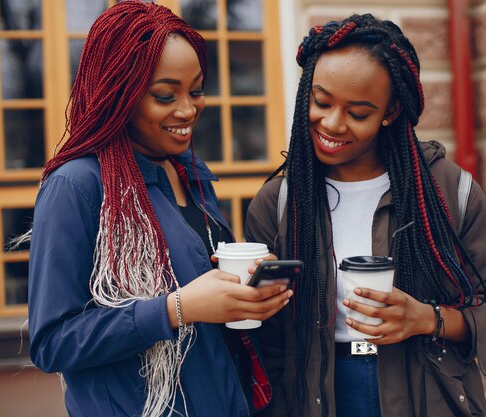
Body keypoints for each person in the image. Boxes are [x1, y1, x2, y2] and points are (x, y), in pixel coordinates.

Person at [245, 14, 486, 417]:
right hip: (317, 395)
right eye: (321, 101)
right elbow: (268, 342)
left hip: (425, 394)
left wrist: (427, 319)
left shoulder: (448, 191)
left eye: (358, 113)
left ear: (390, 112)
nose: (332, 123)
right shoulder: (280, 201)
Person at [28, 2, 292, 417]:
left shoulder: (188, 173)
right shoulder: (76, 185)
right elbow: (52, 343)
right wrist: (175, 309)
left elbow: (201, 295)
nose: (188, 110)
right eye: (165, 95)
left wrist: (246, 293)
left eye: (197, 90)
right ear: (119, 95)